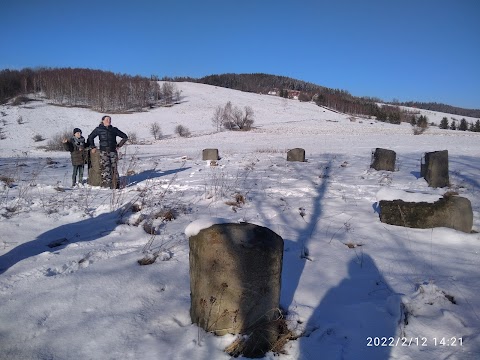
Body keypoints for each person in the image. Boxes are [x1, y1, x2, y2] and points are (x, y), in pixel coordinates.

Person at [87, 115, 128, 189]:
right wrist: (93, 147)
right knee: (105, 168)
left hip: (113, 151)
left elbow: (125, 137)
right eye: (107, 119)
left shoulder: (114, 129)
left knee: (114, 168)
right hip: (103, 151)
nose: (108, 121)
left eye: (110, 120)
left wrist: (119, 145)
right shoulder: (98, 129)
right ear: (103, 121)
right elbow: (90, 137)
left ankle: (116, 185)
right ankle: (107, 185)